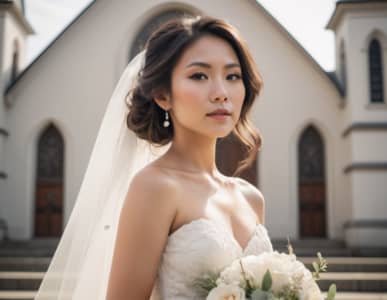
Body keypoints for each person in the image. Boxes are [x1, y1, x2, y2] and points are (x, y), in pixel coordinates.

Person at [34, 15, 273, 300]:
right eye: (199, 75)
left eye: (232, 76)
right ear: (162, 95)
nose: (221, 93)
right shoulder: (155, 187)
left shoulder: (251, 199)